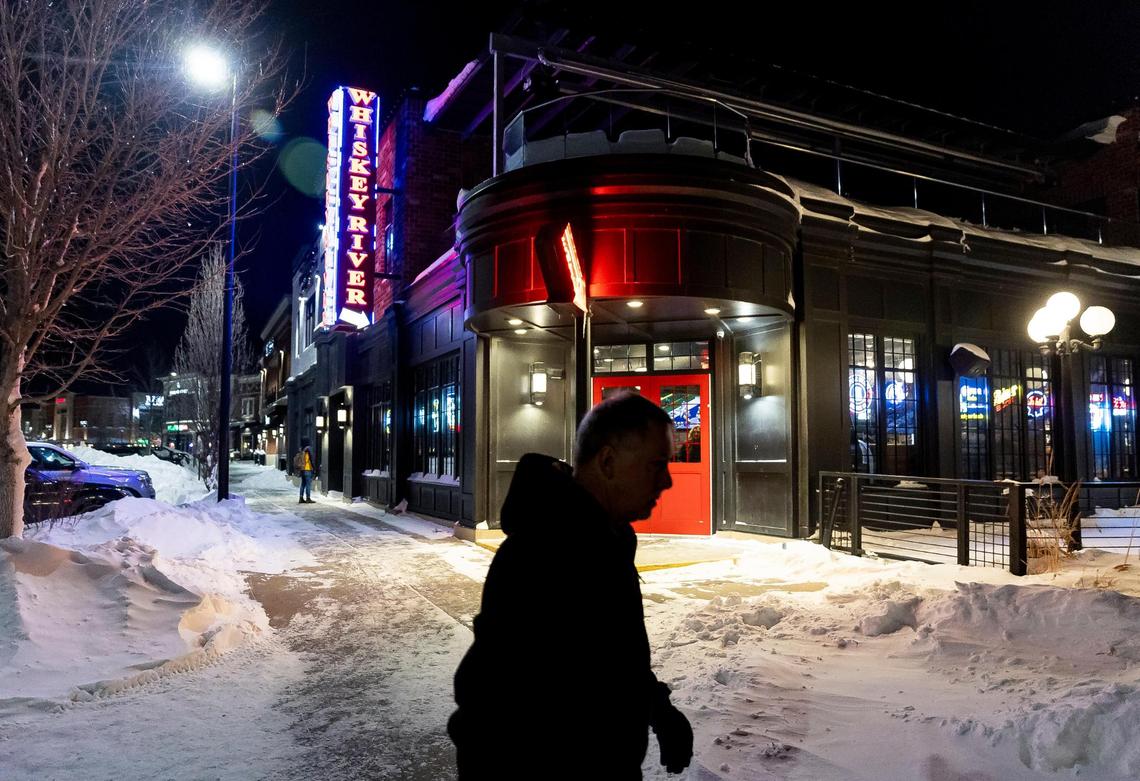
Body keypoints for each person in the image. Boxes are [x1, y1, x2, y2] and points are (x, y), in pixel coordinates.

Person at [448, 392, 693, 779]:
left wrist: (658, 710)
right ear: (608, 461)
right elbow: (491, 702)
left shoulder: (607, 540)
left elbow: (610, 655)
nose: (666, 481)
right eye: (656, 465)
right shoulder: (540, 553)